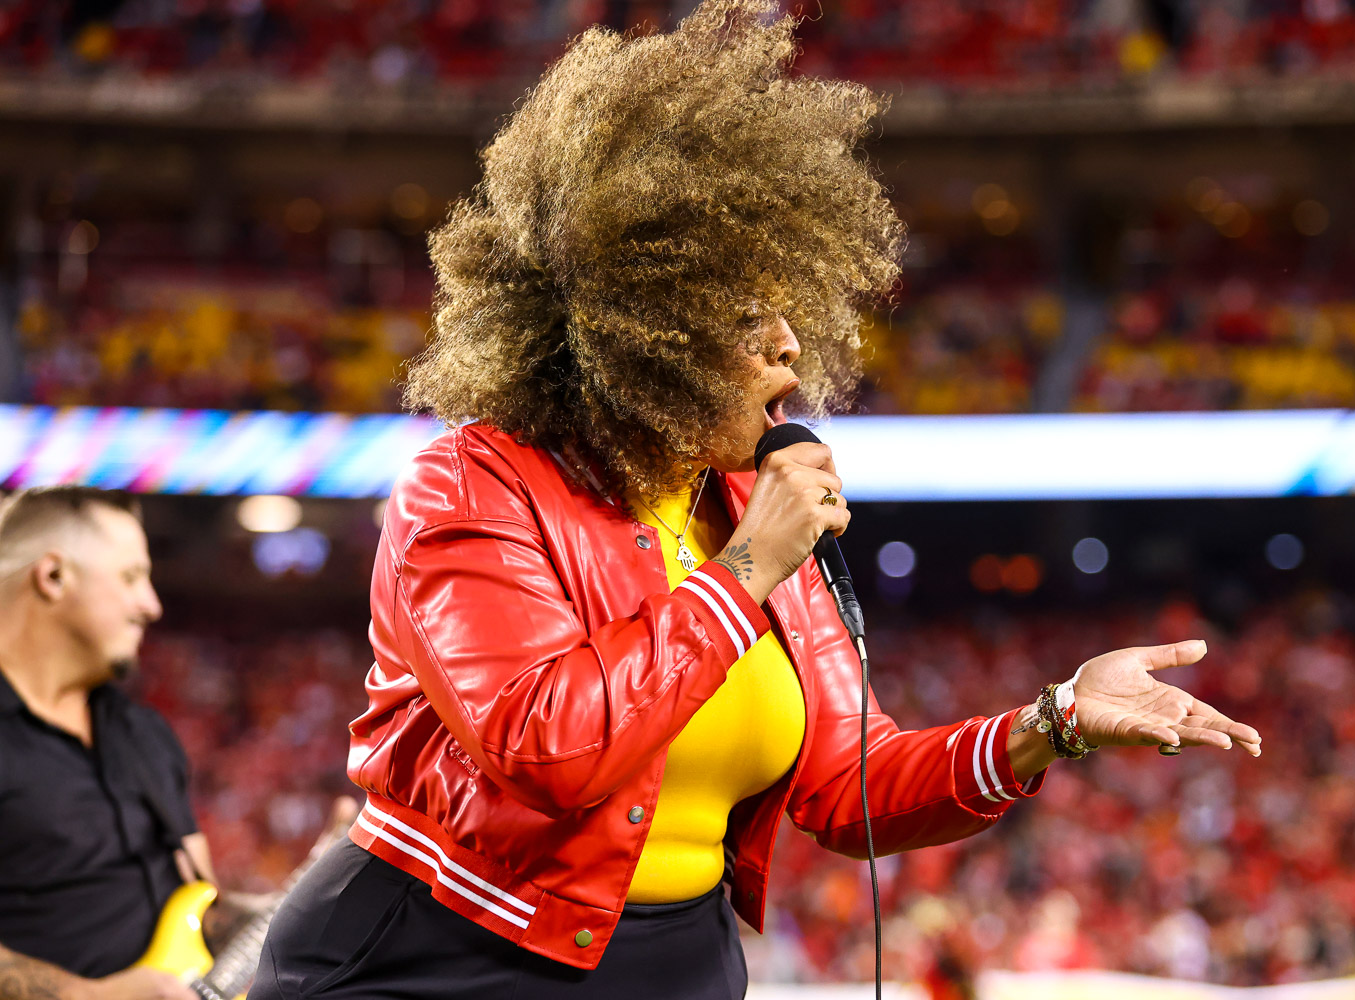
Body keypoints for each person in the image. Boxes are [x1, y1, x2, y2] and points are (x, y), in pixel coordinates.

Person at [250, 3, 1262, 997]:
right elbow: (545, 746)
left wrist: (1053, 720)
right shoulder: (473, 480)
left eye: (791, 309)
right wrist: (742, 578)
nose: (789, 344)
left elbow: (849, 785)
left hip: (678, 961)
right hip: (439, 955)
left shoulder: (743, 504)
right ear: (635, 329)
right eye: (746, 315)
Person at [0, 486, 199, 1000]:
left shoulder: (146, 735)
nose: (151, 605)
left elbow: (203, 900)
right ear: (53, 577)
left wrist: (313, 882)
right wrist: (79, 995)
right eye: (131, 577)